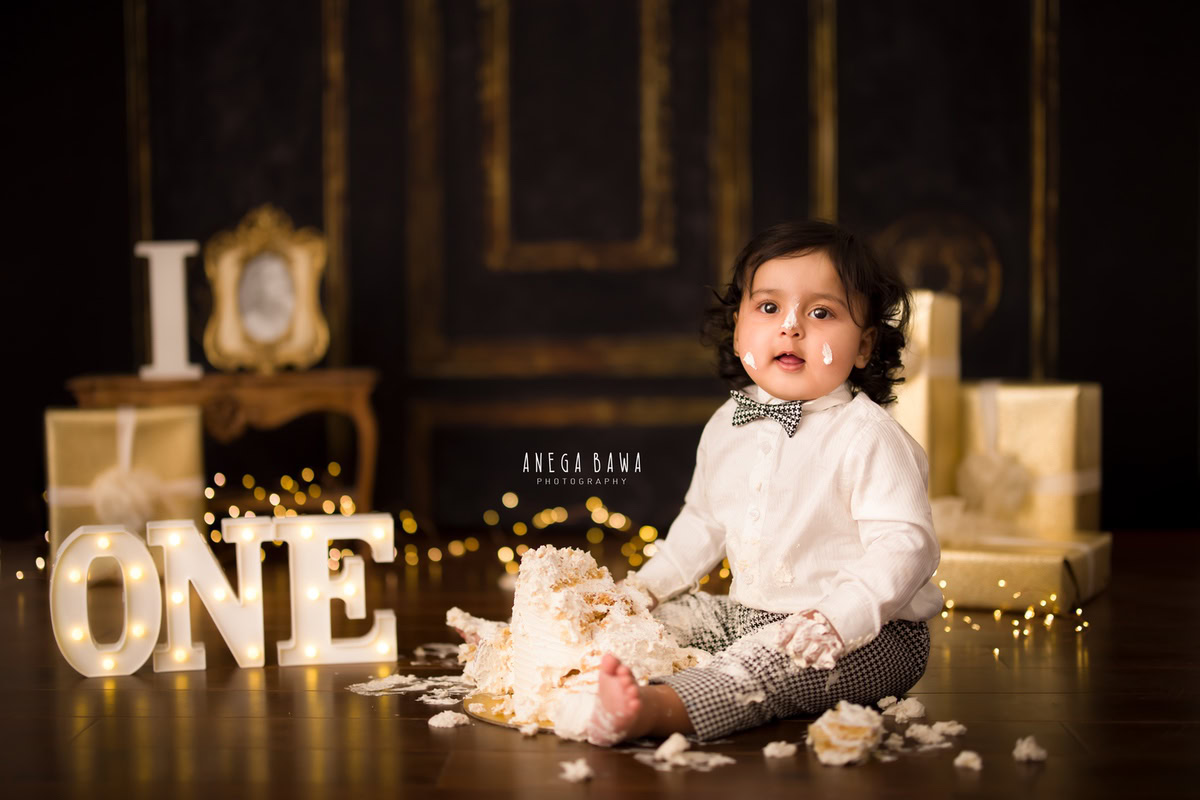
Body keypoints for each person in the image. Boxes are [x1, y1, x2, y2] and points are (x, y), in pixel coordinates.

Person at [587, 220, 943, 745]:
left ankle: (659, 709)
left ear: (864, 345)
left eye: (821, 312)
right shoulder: (727, 423)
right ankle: (552, 655)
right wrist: (647, 589)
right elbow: (703, 522)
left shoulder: (869, 436)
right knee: (663, 623)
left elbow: (906, 545)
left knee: (768, 670)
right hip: (748, 615)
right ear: (738, 330)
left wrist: (836, 618)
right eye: (769, 307)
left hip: (869, 633)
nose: (791, 327)